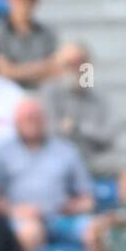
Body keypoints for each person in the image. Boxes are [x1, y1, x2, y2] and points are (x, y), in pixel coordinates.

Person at [0, 98, 95, 251]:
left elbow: (88, 200)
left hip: (61, 218)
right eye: (27, 118)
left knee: (95, 232)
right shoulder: (2, 154)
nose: (32, 122)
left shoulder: (67, 151)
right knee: (30, 233)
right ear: (16, 122)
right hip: (20, 219)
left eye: (36, 117)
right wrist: (15, 211)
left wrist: (71, 207)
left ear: (45, 120)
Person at [40, 43, 116, 175]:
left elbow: (108, 137)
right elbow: (46, 132)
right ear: (59, 67)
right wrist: (88, 131)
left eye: (81, 62)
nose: (76, 69)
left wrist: (77, 127)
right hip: (55, 164)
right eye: (69, 64)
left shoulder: (99, 96)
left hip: (92, 162)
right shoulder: (48, 93)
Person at [0, 0, 57, 89]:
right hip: (10, 95)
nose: (24, 3)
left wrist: (18, 70)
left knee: (82, 64)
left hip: (42, 92)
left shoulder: (47, 32)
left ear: (35, 2)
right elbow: (5, 72)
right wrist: (43, 67)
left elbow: (56, 68)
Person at [84, 164, 126, 251]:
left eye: (124, 181)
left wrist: (116, 220)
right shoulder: (118, 217)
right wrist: (97, 246)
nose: (119, 186)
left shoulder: (117, 219)